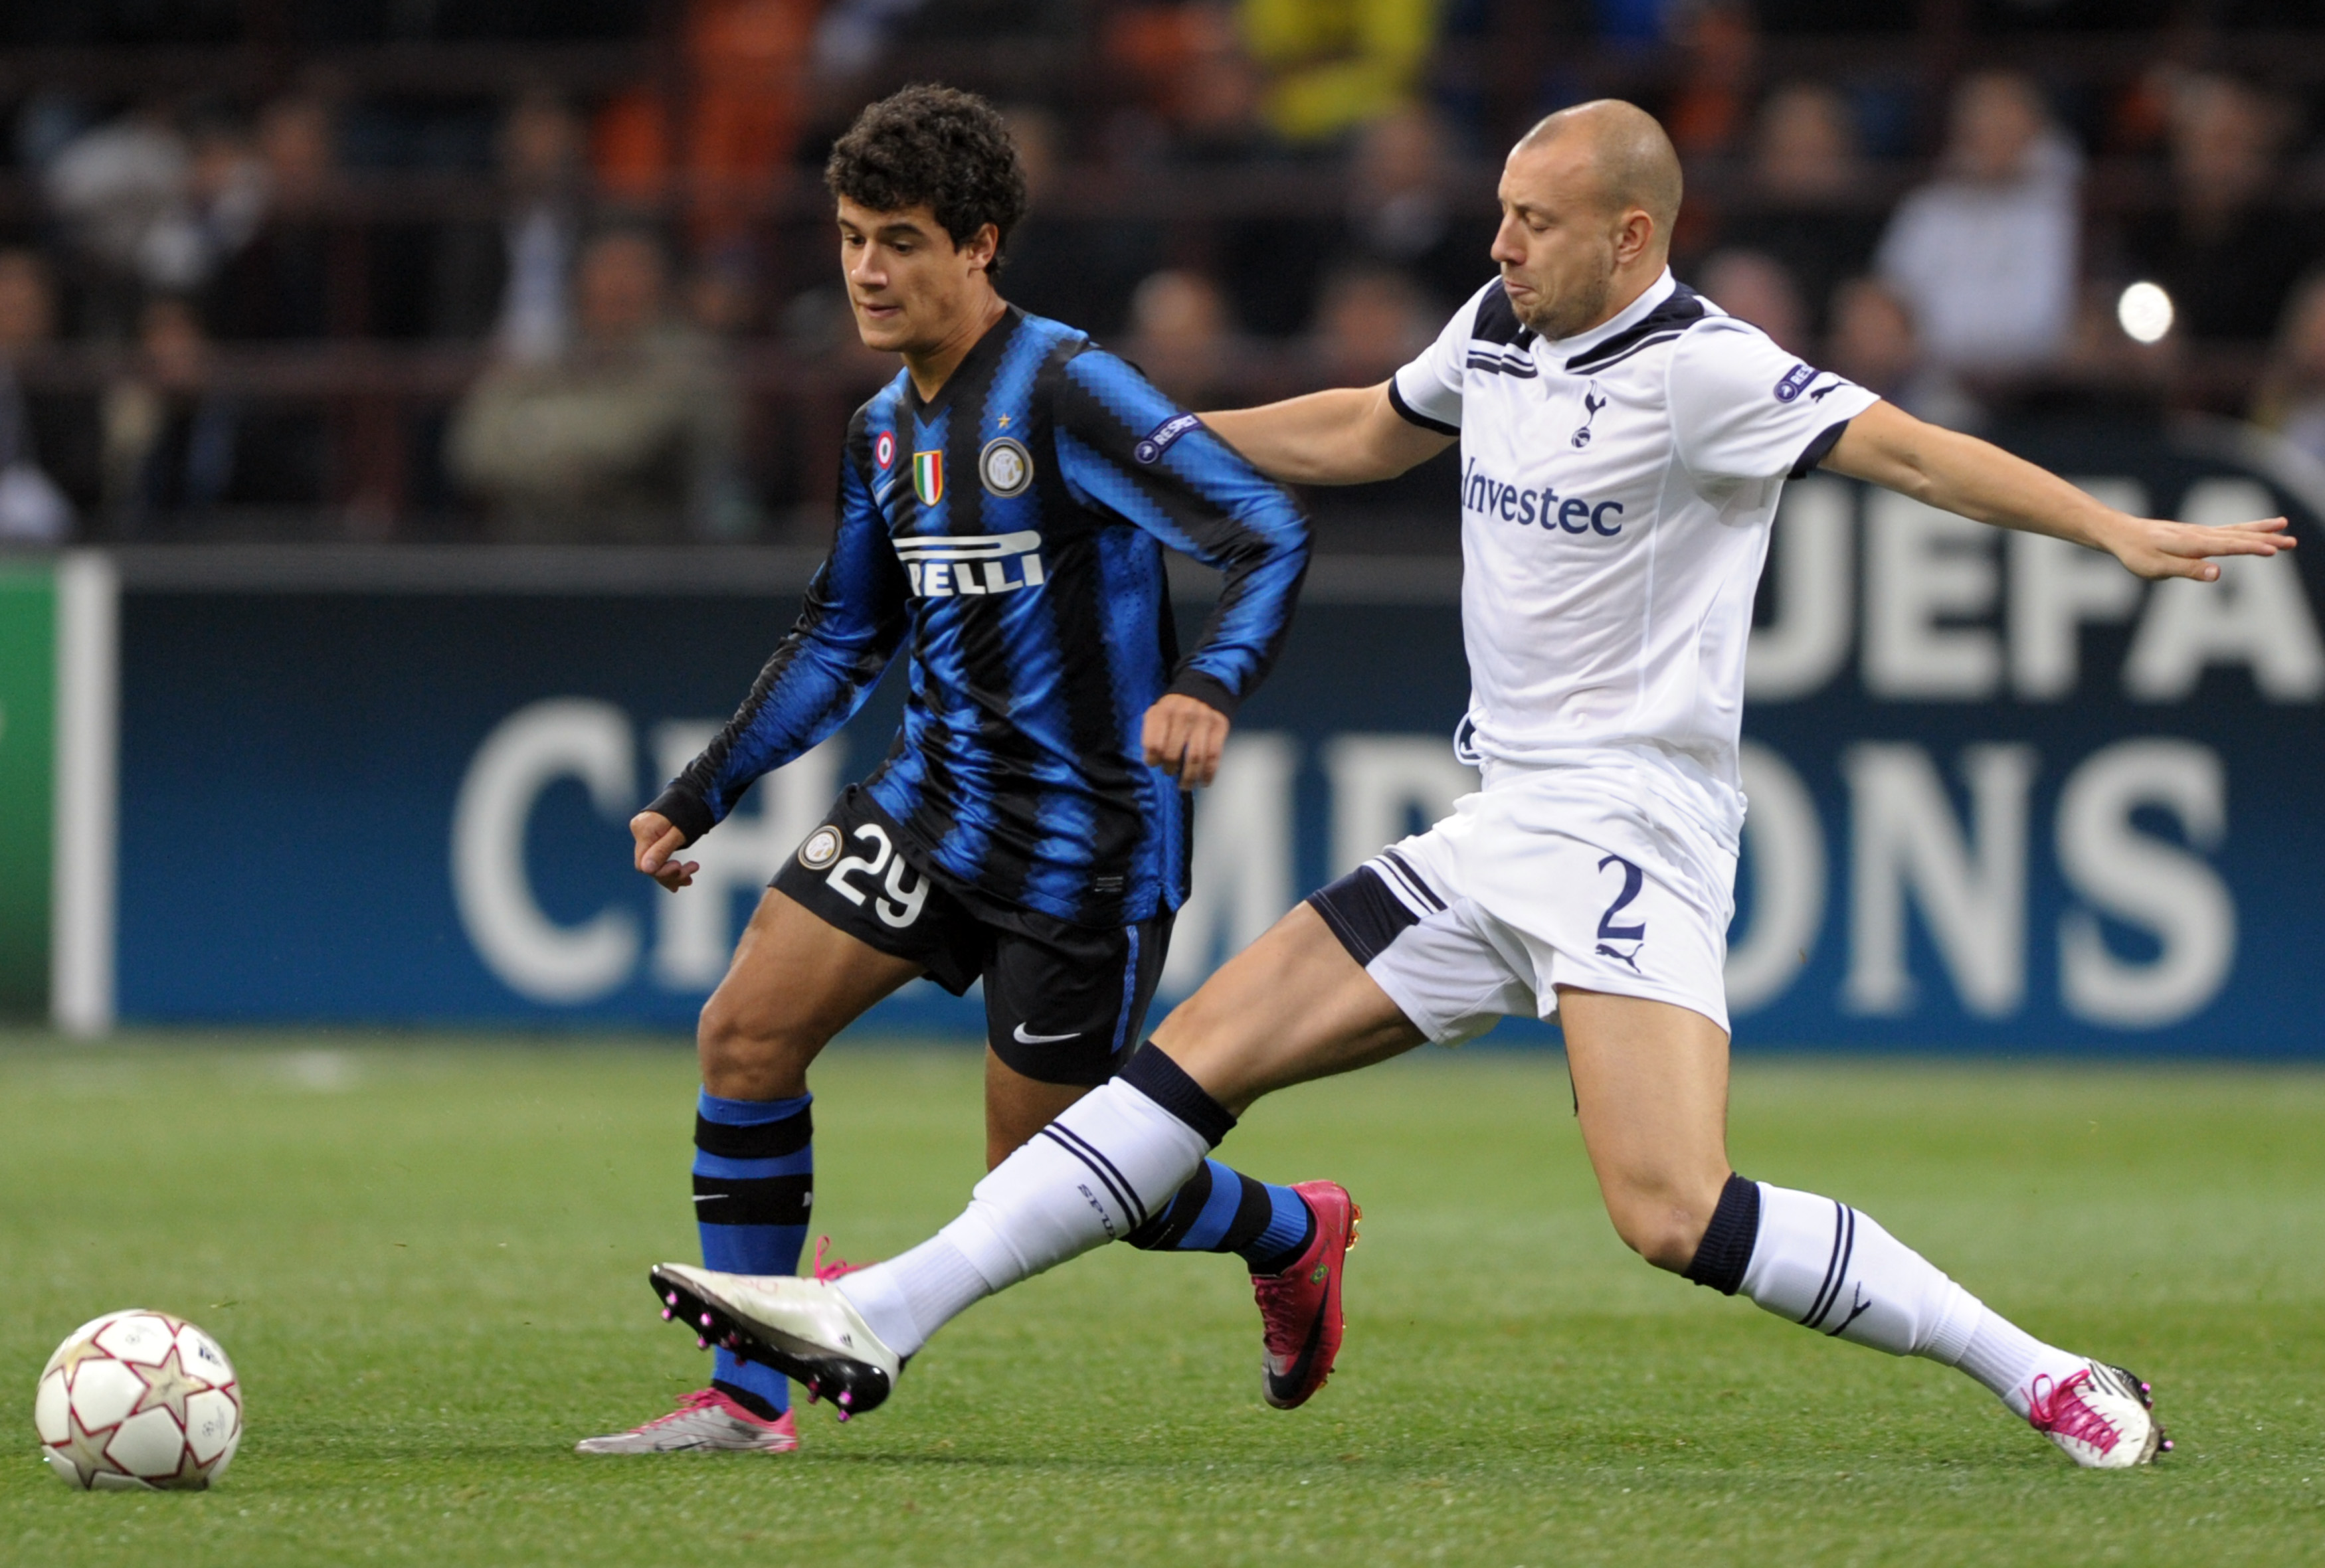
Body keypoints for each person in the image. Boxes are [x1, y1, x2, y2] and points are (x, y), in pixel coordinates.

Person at [647, 98, 2292, 1471]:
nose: (1497, 244)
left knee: (1672, 1211)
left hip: (1629, 832)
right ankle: (873, 1317)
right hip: (1495, 825)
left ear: (1632, 238)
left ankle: (2049, 1372)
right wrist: (1147, 442)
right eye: (1499, 211)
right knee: (1172, 1076)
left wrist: (2113, 528)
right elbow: (1368, 425)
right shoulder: (1501, 327)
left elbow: (1916, 452)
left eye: (1534, 220)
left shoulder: (1710, 371)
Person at [579, 85, 1339, 1457]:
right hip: (931, 808)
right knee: (744, 1031)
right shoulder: (883, 429)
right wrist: (702, 789)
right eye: (854, 237)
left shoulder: (1070, 390)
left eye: (904, 240)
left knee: (1042, 1185)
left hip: (1085, 849)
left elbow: (1268, 530)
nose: (868, 269)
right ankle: (749, 1396)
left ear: (981, 244)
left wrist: (1207, 682)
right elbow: (841, 633)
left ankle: (1291, 1228)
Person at [446, 227, 745, 543]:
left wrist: (532, 432)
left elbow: (625, 441)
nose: (617, 286)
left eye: (632, 272)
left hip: (648, 562)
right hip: (534, 558)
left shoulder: (689, 360)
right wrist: (567, 451)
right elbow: (473, 450)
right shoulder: (548, 354)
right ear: (579, 283)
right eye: (605, 271)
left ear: (660, 285)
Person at [1875, 71, 2080, 377]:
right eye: (1982, 115)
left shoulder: (2072, 204)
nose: (1994, 128)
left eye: (2006, 114)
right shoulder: (1929, 209)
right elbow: (1892, 296)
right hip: (1935, 384)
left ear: (2035, 124)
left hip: (2050, 388)